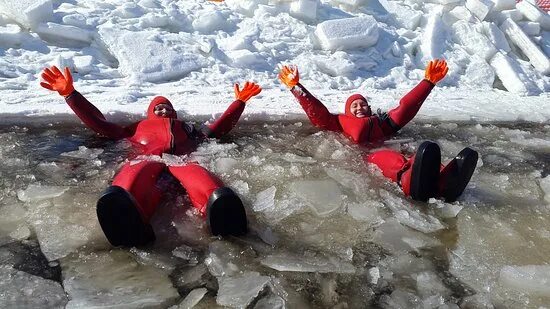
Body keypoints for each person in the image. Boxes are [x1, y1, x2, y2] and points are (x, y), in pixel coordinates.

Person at [40, 66, 262, 246]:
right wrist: (71, 95)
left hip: (181, 161)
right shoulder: (135, 128)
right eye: (159, 109)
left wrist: (239, 102)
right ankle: (129, 214)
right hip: (148, 159)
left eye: (167, 108)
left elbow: (218, 128)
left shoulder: (188, 128)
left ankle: (217, 209)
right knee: (134, 172)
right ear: (150, 112)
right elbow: (99, 123)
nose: (164, 111)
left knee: (197, 174)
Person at [278, 60, 478, 203]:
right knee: (387, 158)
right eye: (354, 105)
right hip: (369, 156)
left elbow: (405, 108)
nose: (359, 107)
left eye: (363, 104)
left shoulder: (382, 123)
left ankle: (446, 179)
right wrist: (296, 87)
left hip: (397, 150)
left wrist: (428, 82)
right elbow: (317, 113)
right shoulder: (339, 122)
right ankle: (408, 181)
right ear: (348, 111)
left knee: (421, 154)